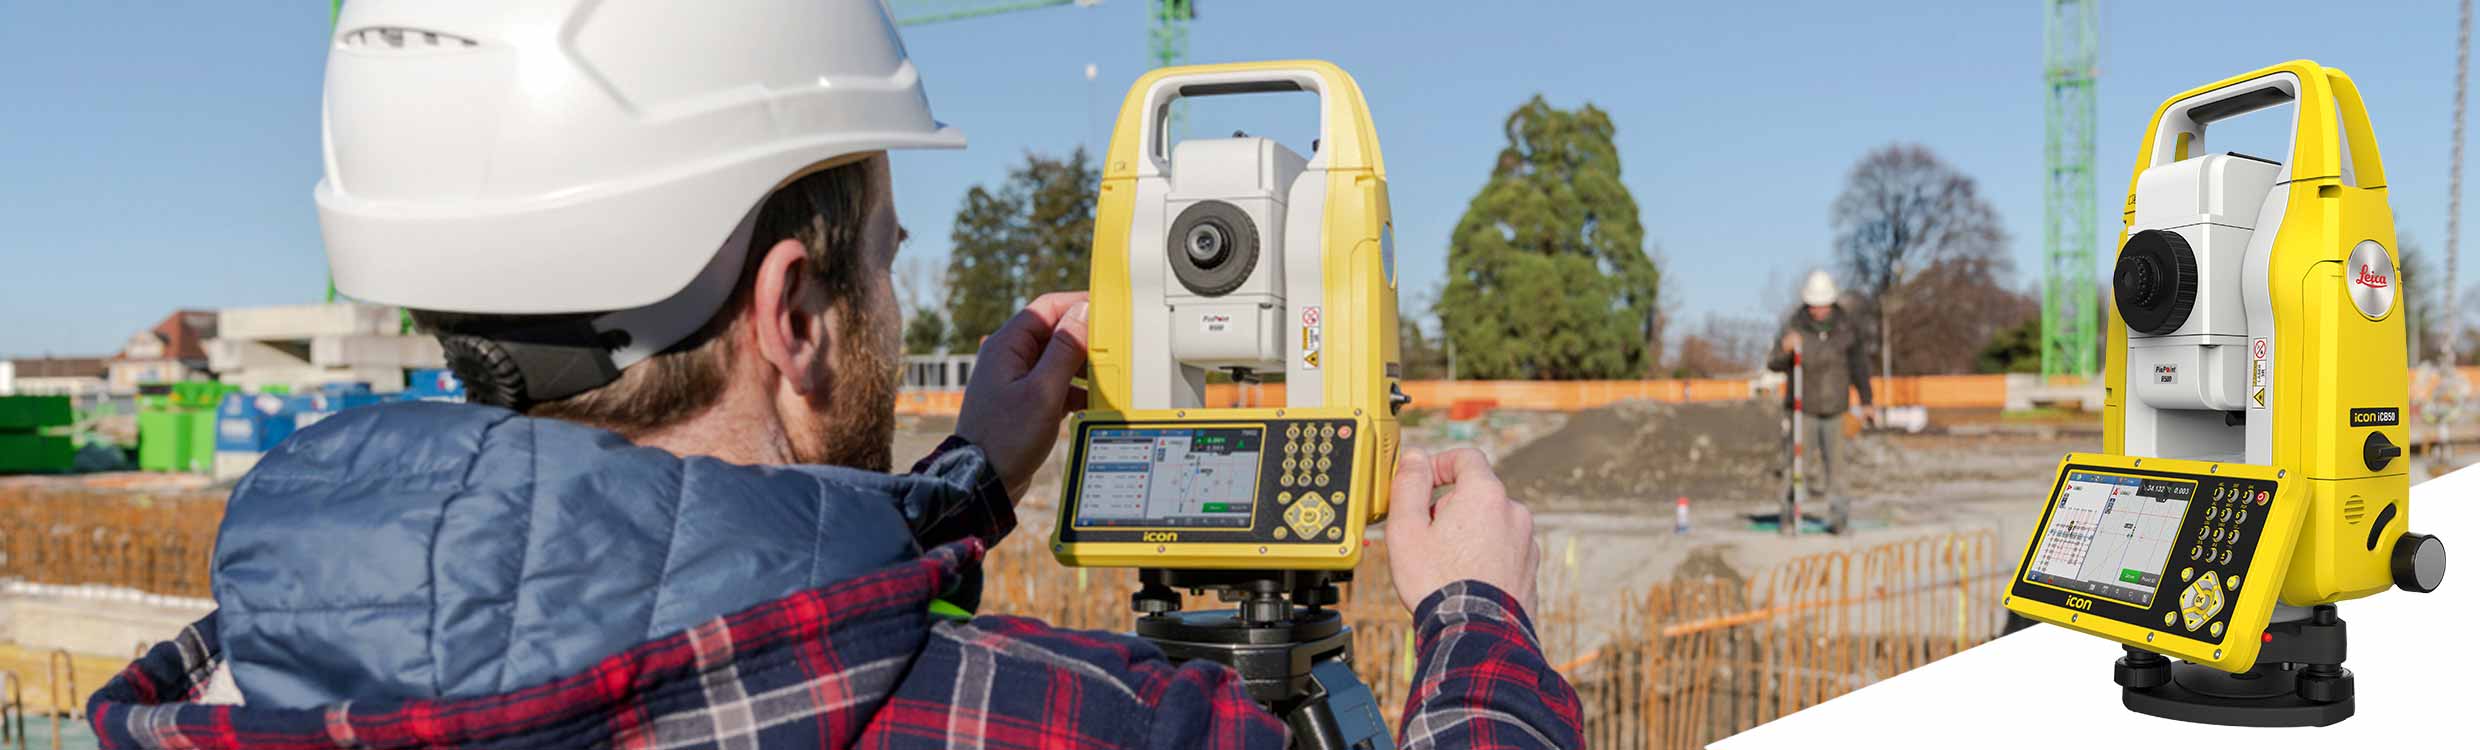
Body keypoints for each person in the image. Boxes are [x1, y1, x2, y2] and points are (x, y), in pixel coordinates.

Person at [85, 2, 1579, 749]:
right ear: (794, 312)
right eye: (881, 258)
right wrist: (1478, 624)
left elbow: (661, 583)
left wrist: (970, 481)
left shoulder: (235, 672)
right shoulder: (1031, 718)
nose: (893, 290)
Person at [1767, 269, 1876, 535]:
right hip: (1803, 409)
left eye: (1823, 304)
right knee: (1797, 466)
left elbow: (1859, 366)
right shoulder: (1794, 326)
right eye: (1814, 305)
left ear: (1831, 302)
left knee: (1837, 469)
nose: (1819, 310)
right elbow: (1773, 363)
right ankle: (1789, 516)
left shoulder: (1846, 327)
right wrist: (1784, 350)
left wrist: (1867, 400)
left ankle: (1839, 519)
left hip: (1835, 408)